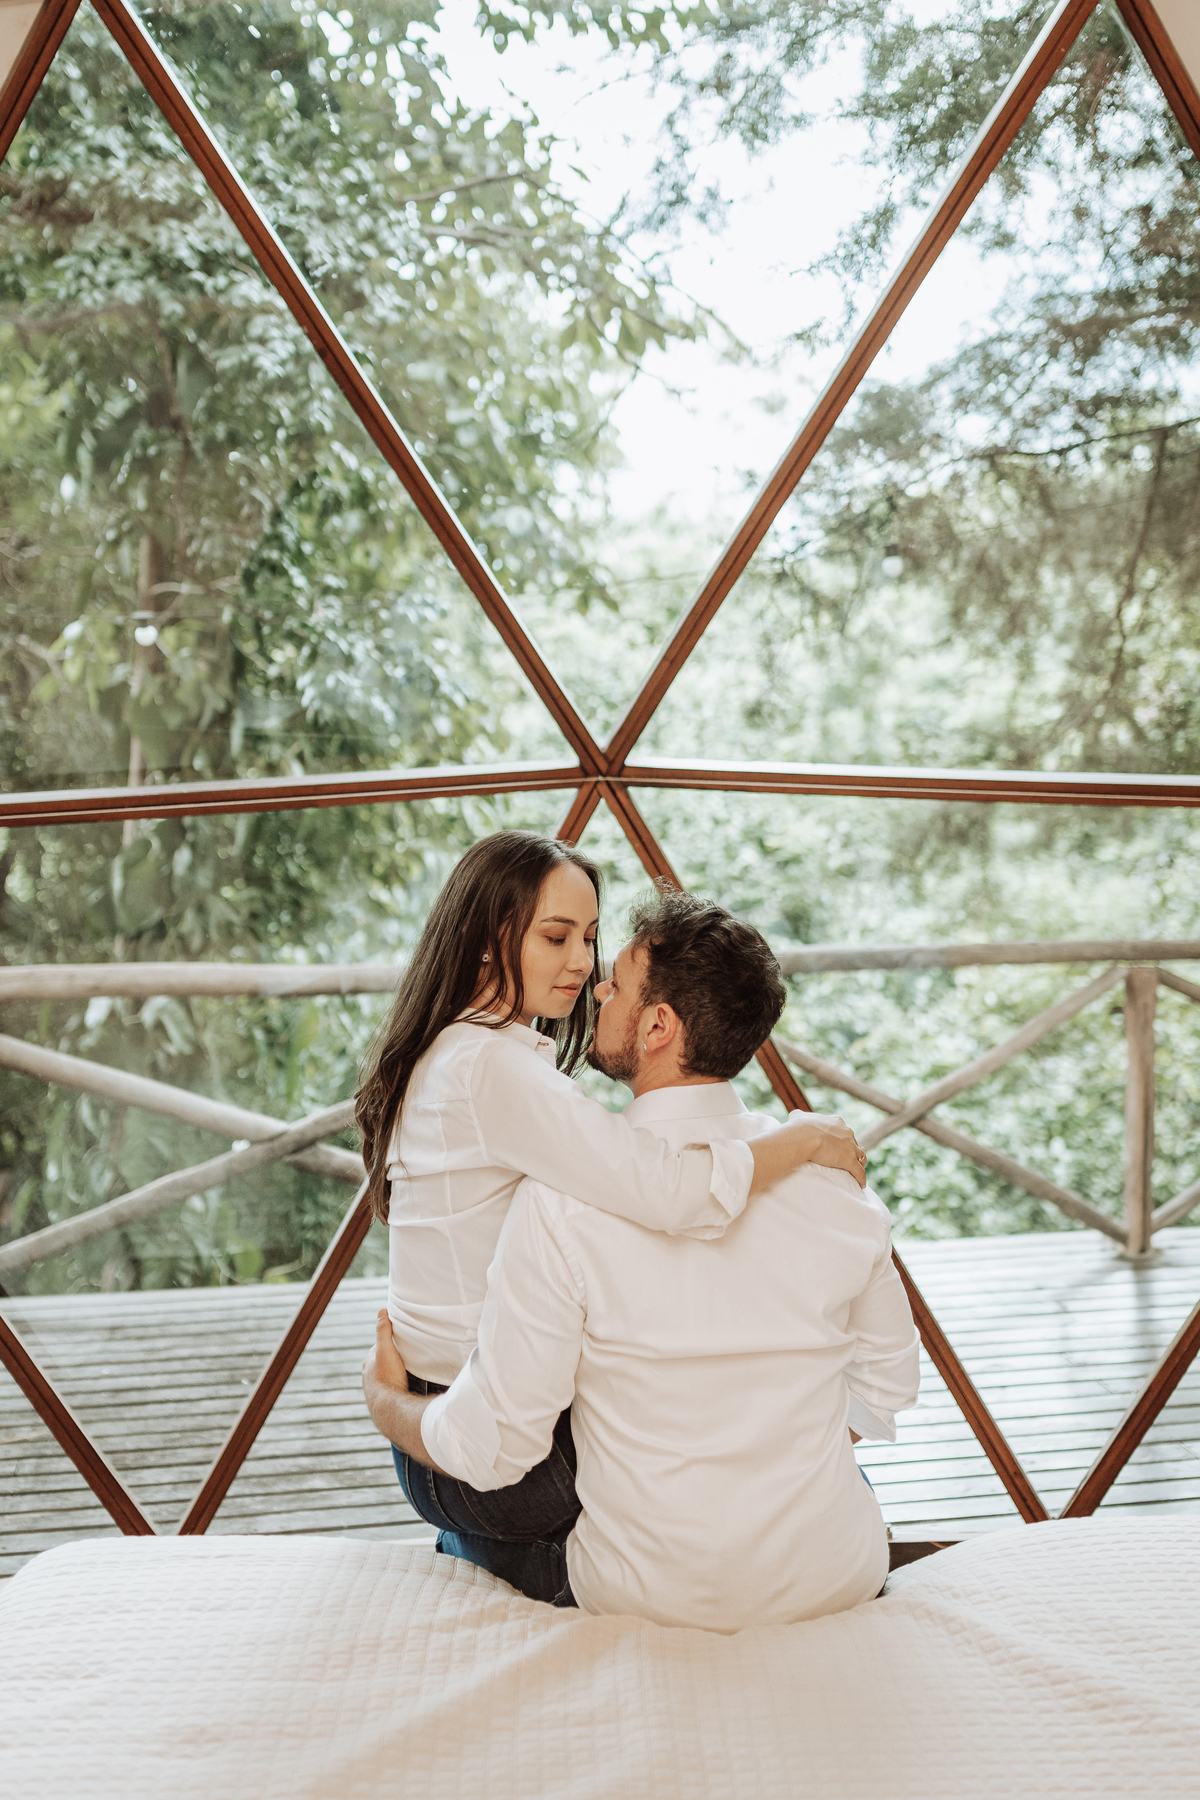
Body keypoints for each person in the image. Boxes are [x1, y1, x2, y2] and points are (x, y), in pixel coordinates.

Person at [363, 887, 920, 1630]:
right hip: (840, 1572)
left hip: (646, 1595)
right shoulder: (833, 1181)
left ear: (657, 1026)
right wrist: (785, 1458)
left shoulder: (561, 1204)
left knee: (480, 1532)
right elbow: (890, 1382)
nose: (595, 986)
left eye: (616, 980)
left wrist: (385, 1401)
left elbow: (498, 1447)